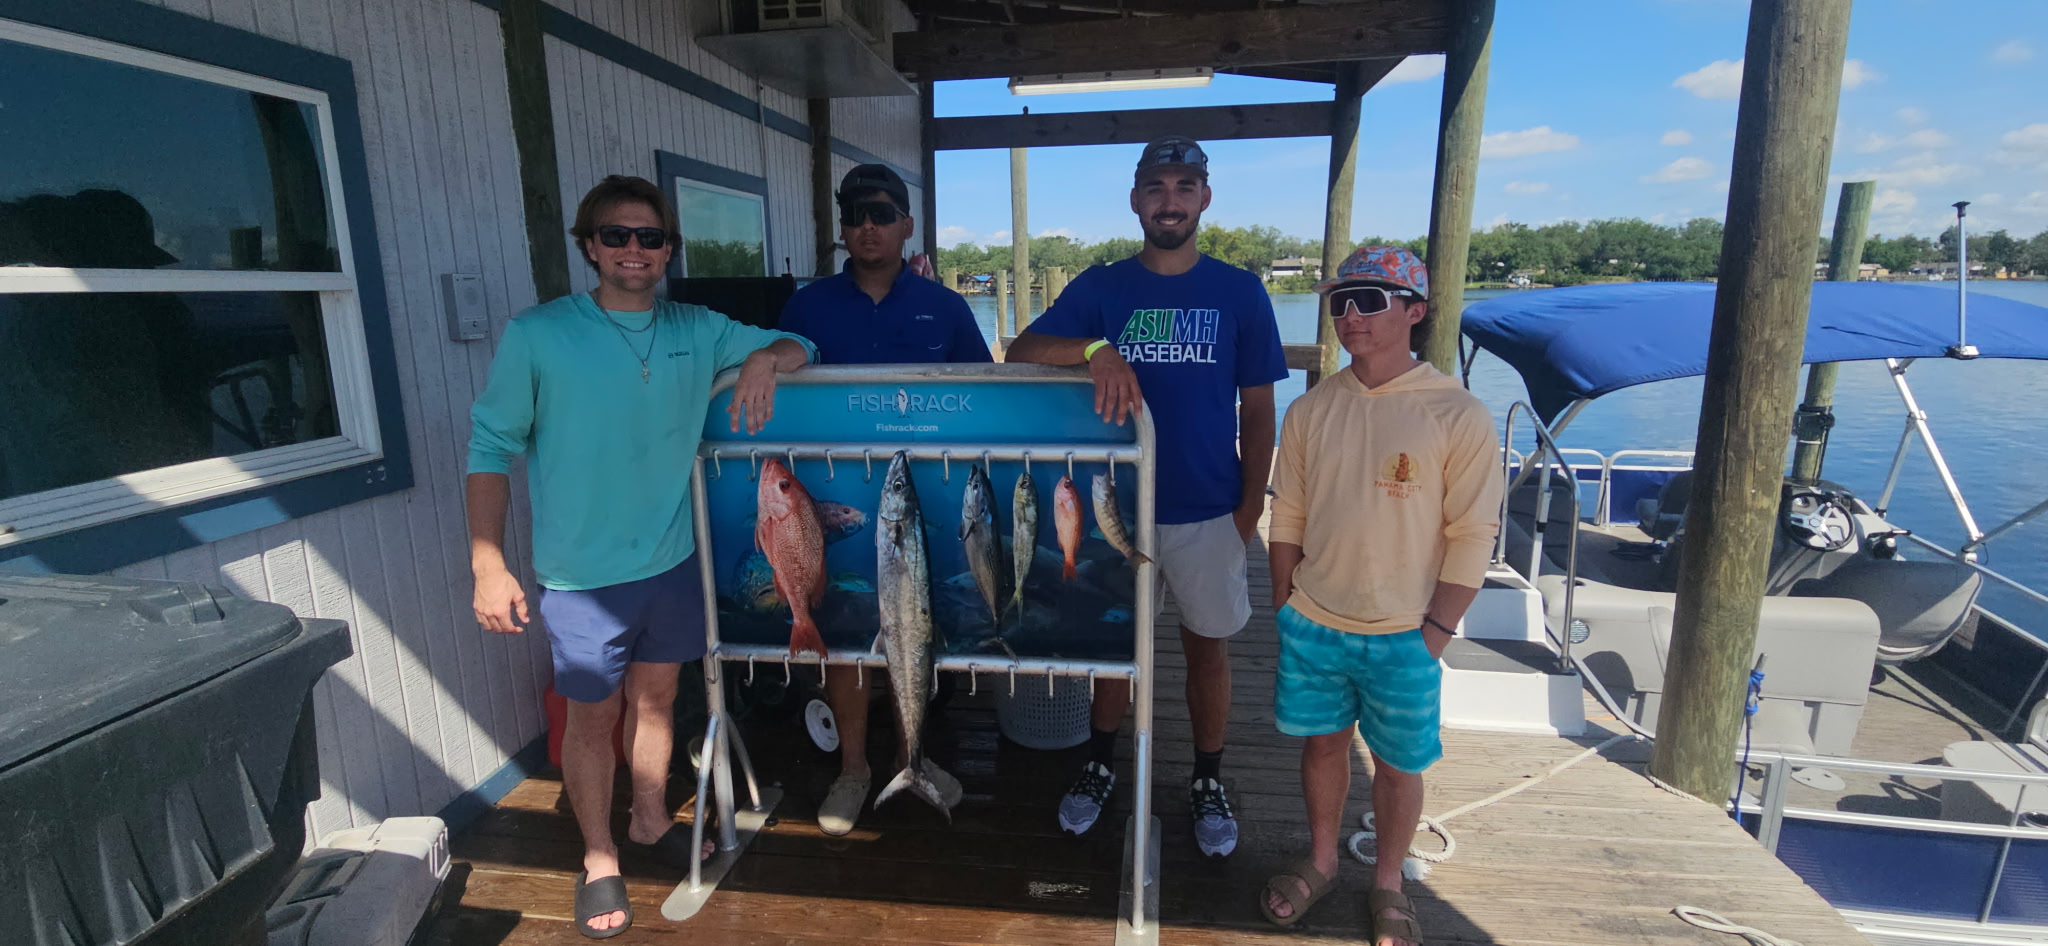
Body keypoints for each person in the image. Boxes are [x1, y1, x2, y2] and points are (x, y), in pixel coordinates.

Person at [467, 175, 815, 939]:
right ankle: (598, 858)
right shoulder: (539, 333)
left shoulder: (699, 325)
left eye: (650, 237)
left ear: (668, 250)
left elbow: (801, 344)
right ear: (589, 246)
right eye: (616, 236)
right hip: (583, 576)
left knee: (658, 701)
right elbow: (490, 449)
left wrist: (763, 362)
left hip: (671, 562)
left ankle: (649, 806)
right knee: (593, 721)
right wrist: (486, 565)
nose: (634, 250)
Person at [1006, 136, 1286, 859]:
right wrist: (1096, 349)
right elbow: (1022, 351)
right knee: (1112, 649)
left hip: (1208, 508)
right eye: (1156, 186)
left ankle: (1207, 776)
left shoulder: (1240, 291)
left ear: (1204, 198)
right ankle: (1100, 763)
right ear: (1135, 200)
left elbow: (1258, 411)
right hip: (1115, 509)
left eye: (1184, 185)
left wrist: (1250, 508)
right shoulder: (1103, 287)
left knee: (1208, 652)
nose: (1170, 199)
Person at [1259, 246, 1502, 944]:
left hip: (1406, 631)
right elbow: (1291, 516)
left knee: (1399, 766)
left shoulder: (1456, 413)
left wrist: (1436, 633)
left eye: (1371, 300)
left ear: (1415, 311)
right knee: (1322, 748)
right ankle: (1324, 859)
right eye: (1340, 302)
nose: (1351, 315)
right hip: (1314, 621)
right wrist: (1285, 604)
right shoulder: (1311, 408)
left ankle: (1389, 881)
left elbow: (1472, 533)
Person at [776, 163, 990, 836]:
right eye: (854, 215)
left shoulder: (948, 307)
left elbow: (986, 394)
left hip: (919, 494)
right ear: (841, 227)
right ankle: (854, 769)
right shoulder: (807, 306)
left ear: (906, 225)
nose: (866, 227)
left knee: (914, 631)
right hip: (835, 493)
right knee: (844, 638)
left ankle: (913, 759)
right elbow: (778, 382)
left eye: (880, 213)